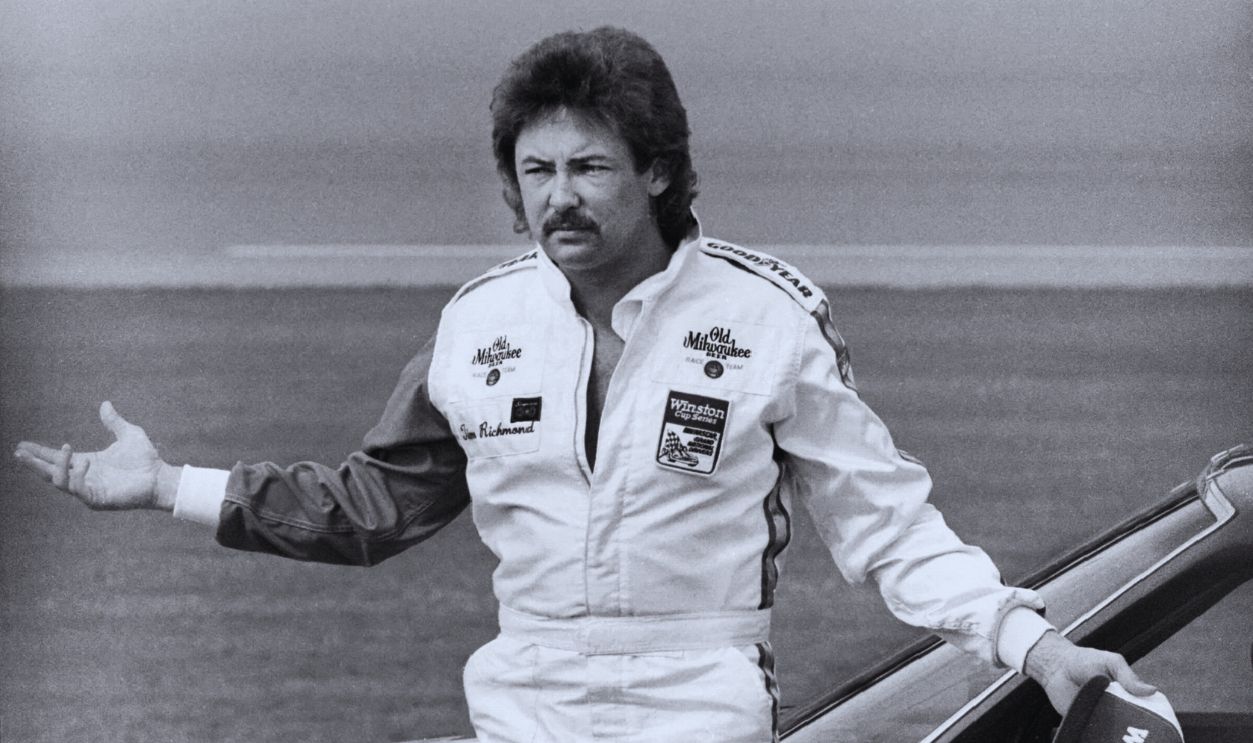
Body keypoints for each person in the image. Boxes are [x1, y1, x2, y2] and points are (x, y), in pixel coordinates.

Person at [15, 26, 1156, 743]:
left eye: (589, 167)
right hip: (521, 706)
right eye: (536, 170)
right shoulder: (478, 323)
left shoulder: (769, 316)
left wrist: (1034, 644)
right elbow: (369, 508)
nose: (557, 197)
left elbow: (887, 528)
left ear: (655, 171)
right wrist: (165, 484)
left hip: (702, 707)